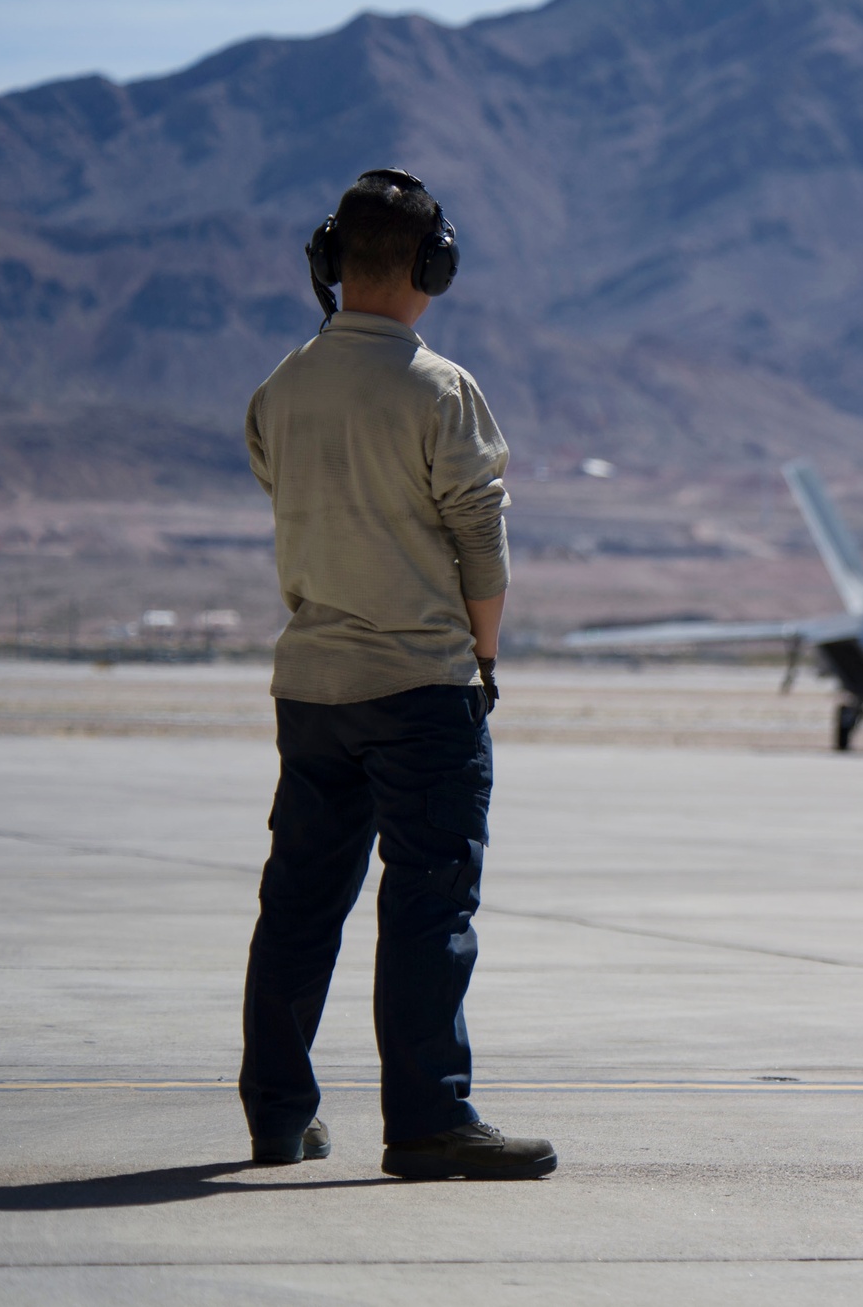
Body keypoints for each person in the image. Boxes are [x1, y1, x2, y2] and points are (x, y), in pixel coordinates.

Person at [239, 168, 554, 1179]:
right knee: (427, 904)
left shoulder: (281, 387)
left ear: (332, 263)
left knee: (297, 903)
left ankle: (278, 1113)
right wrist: (484, 654)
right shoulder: (438, 388)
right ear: (434, 266)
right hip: (419, 686)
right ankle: (428, 1118)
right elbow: (481, 541)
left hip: (312, 688)